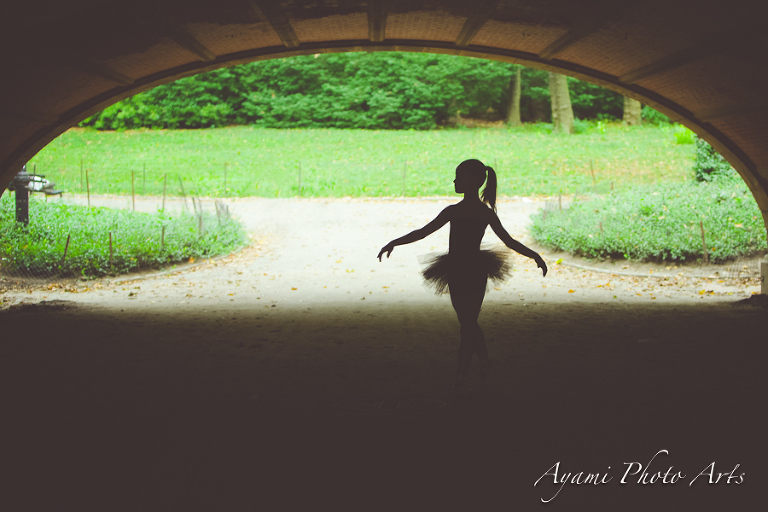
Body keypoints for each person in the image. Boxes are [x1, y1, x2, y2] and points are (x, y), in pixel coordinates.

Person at [377, 159, 547, 395]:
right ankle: (481, 361)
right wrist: (394, 242)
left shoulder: (482, 213)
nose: (455, 180)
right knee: (466, 323)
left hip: (475, 270)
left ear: (476, 181)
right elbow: (423, 232)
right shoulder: (453, 211)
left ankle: (462, 373)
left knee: (468, 323)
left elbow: (508, 241)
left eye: (459, 176)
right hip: (455, 270)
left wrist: (534, 255)